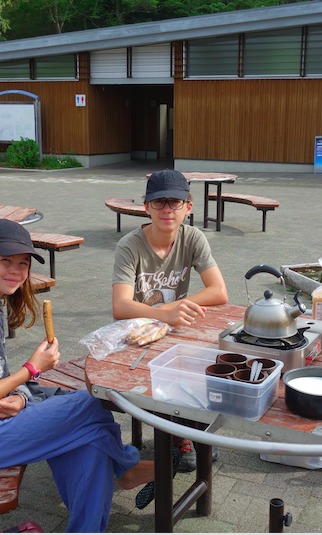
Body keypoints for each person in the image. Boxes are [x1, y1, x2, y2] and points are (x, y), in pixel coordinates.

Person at [0, 219, 153, 533]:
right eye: (5, 260)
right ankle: (127, 467)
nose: (16, 270)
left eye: (22, 263)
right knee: (89, 405)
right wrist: (32, 369)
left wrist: (20, 398)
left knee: (86, 442)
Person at [112, 169, 228, 472]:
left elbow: (219, 291)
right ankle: (180, 437)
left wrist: (174, 308)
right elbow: (120, 307)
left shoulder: (193, 237)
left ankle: (192, 425)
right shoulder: (130, 245)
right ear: (145, 206)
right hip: (137, 330)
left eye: (174, 202)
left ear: (188, 207)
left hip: (174, 325)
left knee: (203, 361)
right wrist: (163, 314)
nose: (166, 210)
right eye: (159, 202)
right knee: (157, 374)